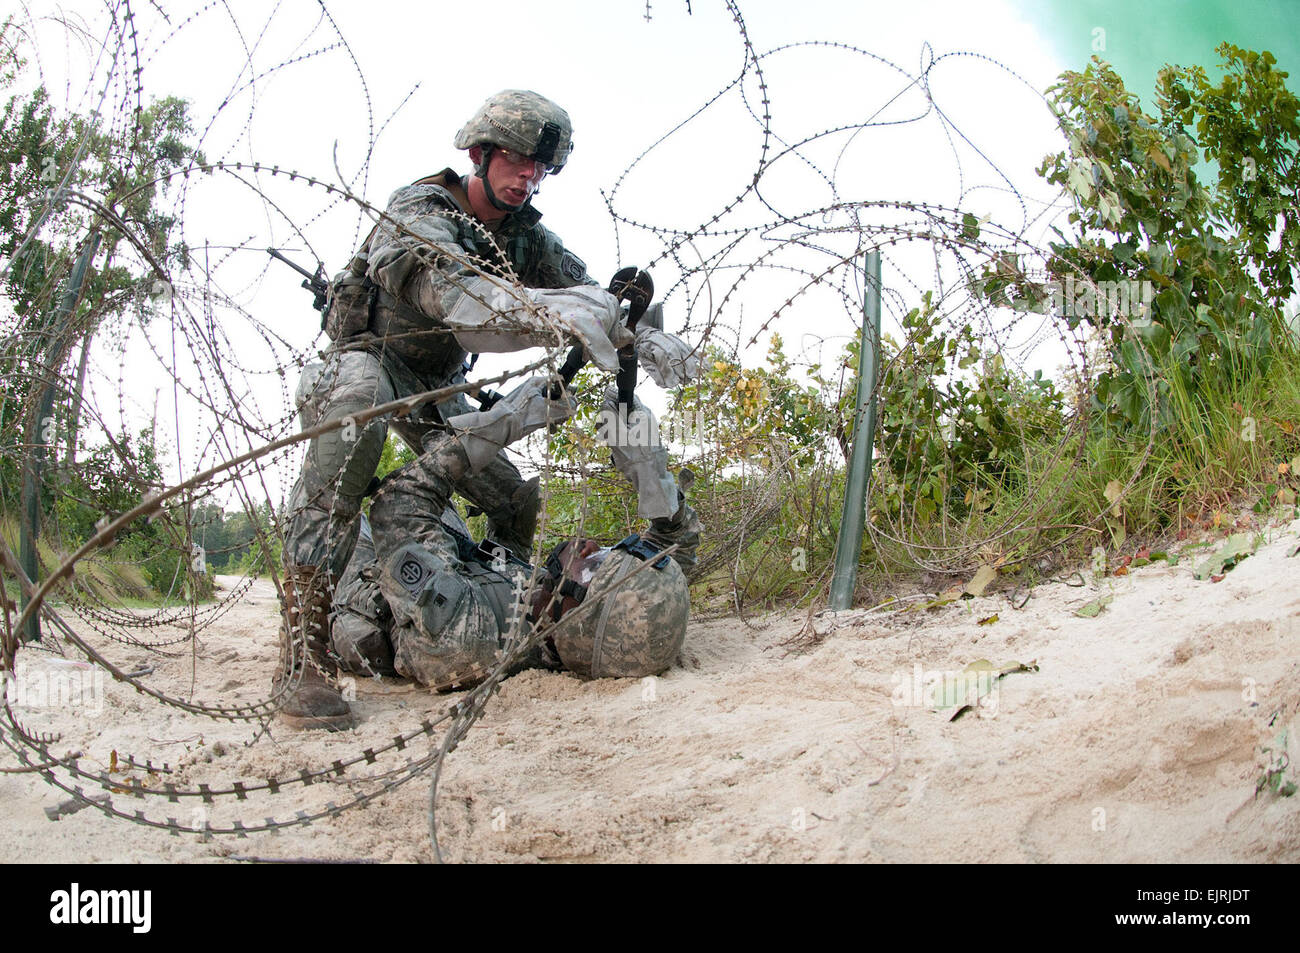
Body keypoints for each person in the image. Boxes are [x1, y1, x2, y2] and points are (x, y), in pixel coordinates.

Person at [276, 90, 698, 730]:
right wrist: (544, 312)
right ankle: (302, 656)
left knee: (511, 498)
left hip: (437, 389)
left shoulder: (528, 240)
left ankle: (493, 598)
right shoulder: (419, 209)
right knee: (350, 451)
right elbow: (447, 292)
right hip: (370, 364)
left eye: (540, 170)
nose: (528, 178)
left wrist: (639, 329)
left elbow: (592, 296)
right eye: (518, 162)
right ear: (481, 154)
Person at [330, 386, 703, 692]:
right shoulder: (610, 613)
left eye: (594, 565)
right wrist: (652, 477)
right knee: (525, 501)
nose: (589, 545)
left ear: (574, 620)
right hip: (479, 568)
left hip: (363, 564)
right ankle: (432, 392)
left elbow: (396, 505)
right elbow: (673, 549)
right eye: (606, 551)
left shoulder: (468, 635)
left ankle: (401, 396)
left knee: (346, 432)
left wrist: (498, 426)